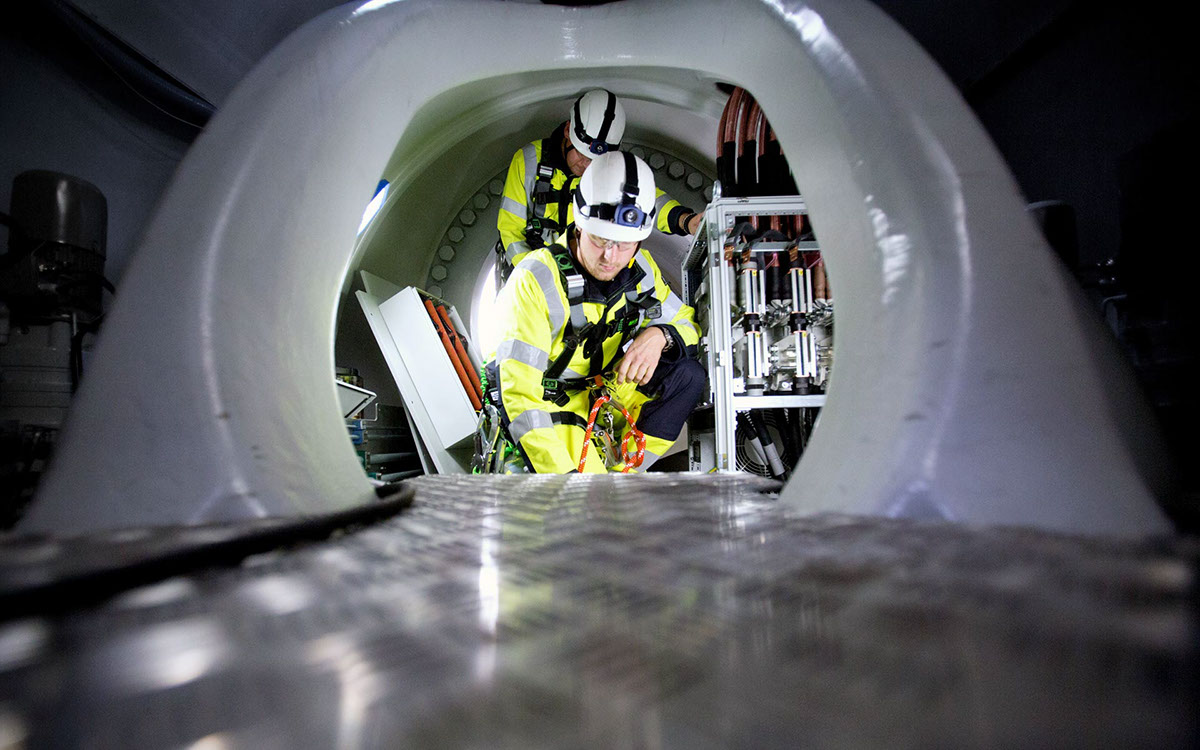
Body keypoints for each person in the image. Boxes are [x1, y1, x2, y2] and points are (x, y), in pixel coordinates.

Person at [484, 151, 707, 473]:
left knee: (687, 375)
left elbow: (687, 322)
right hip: (554, 405)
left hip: (608, 394)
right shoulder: (536, 278)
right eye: (600, 240)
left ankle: (625, 475)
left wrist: (661, 335)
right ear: (578, 224)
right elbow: (519, 395)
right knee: (587, 501)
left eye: (625, 244)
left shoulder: (640, 268)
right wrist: (567, 482)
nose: (610, 257)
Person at [495, 89, 704, 282]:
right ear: (568, 130)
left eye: (593, 159)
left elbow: (646, 203)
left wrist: (685, 221)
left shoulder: (610, 167)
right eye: (581, 154)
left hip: (586, 276)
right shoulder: (529, 161)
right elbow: (511, 231)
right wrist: (537, 278)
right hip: (536, 272)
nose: (586, 165)